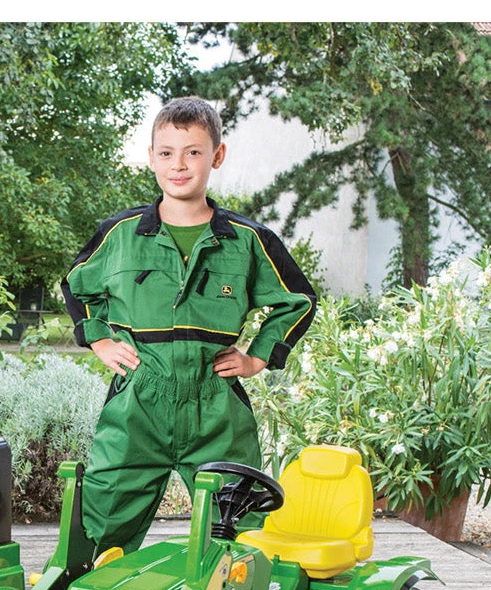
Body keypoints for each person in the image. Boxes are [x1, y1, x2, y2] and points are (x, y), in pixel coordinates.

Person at [62, 95, 317, 554]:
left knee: (236, 528)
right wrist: (98, 339)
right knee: (102, 521)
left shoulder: (248, 241)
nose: (178, 165)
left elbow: (297, 301)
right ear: (151, 158)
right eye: (166, 152)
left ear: (217, 155)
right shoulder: (119, 236)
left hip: (216, 408)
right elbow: (77, 285)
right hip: (138, 403)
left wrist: (257, 357)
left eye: (193, 152)